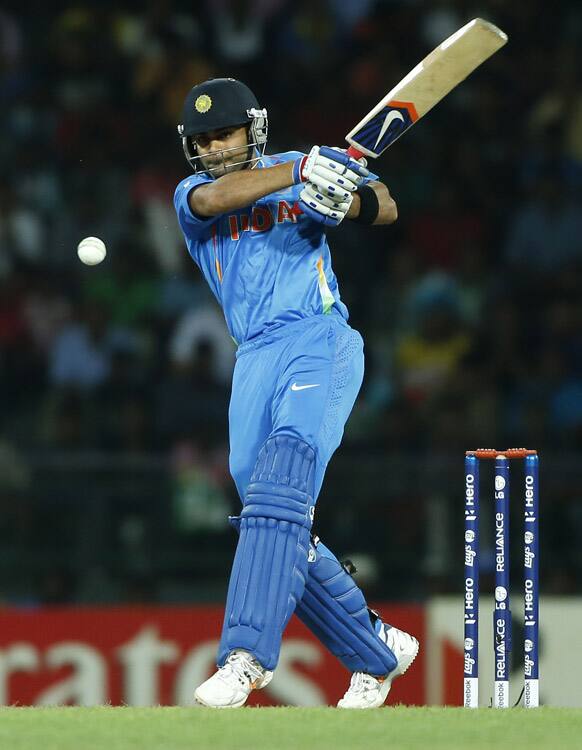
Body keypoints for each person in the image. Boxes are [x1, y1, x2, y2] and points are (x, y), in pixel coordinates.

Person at [173, 77, 419, 709]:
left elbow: (385, 205)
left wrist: (345, 200)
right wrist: (304, 170)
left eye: (222, 135)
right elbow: (220, 197)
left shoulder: (298, 170)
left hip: (318, 338)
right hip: (252, 357)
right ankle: (375, 650)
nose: (212, 150)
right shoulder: (196, 192)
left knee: (283, 480)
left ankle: (245, 656)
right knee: (268, 515)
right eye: (201, 142)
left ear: (251, 128)